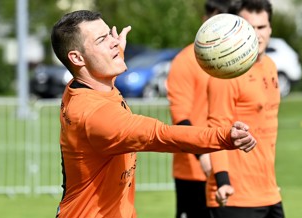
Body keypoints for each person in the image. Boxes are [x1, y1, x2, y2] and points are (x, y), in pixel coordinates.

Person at [51, 10, 257, 218]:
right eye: (102, 40)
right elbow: (161, 135)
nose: (114, 42)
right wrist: (225, 137)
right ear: (77, 58)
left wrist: (114, 54)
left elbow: (95, 77)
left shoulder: (84, 87)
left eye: (110, 35)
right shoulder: (95, 115)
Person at [205, 0, 286, 217]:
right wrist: (222, 181)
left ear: (270, 29)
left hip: (269, 192)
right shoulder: (226, 72)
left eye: (262, 27)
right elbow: (217, 128)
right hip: (235, 197)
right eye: (250, 27)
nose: (257, 35)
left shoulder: (270, 66)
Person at [166, 1, 233, 217]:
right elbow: (181, 118)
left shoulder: (237, 60)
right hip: (194, 172)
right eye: (216, 19)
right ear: (205, 20)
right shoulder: (185, 61)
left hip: (233, 170)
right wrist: (204, 157)